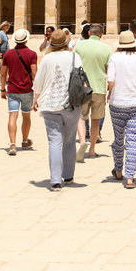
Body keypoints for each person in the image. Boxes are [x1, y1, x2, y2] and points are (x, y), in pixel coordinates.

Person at [32, 29, 84, 190]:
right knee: (69, 142)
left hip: (50, 105)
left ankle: (55, 180)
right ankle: (68, 176)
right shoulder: (75, 57)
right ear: (67, 42)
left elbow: (38, 83)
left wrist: (35, 100)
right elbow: (82, 78)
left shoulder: (47, 59)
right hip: (71, 104)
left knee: (54, 142)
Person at [107, 31, 136, 189]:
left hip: (117, 104)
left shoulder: (114, 58)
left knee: (118, 138)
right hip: (135, 104)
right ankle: (130, 177)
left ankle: (118, 170)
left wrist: (111, 92)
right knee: (132, 140)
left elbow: (111, 81)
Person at [74, 24, 111, 159]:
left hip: (82, 87)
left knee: (81, 117)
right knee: (96, 120)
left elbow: (73, 66)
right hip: (99, 88)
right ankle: (92, 150)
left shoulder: (79, 46)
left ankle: (83, 141)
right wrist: (111, 89)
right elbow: (109, 71)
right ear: (101, 35)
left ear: (89, 33)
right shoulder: (107, 49)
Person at [0, 29, 38, 156]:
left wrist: (2, 89)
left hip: (12, 90)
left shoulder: (8, 54)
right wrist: (37, 90)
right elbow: (34, 74)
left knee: (12, 116)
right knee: (26, 116)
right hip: (27, 90)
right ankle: (25, 141)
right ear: (26, 40)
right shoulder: (32, 54)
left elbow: (3, 74)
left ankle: (12, 144)